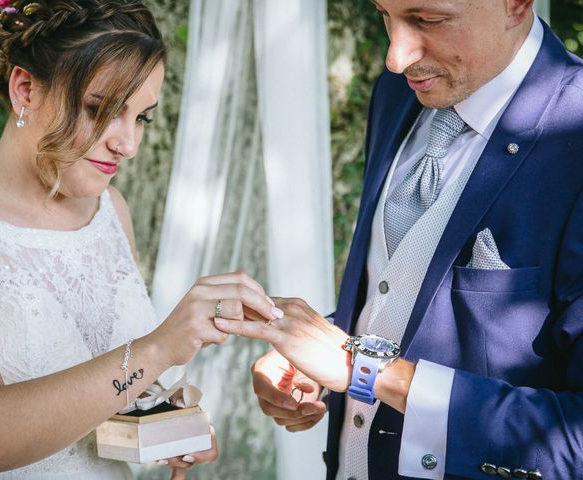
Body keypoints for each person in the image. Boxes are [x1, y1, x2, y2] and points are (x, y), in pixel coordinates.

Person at [215, 0, 583, 479]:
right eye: (383, 14)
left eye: (428, 19)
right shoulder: (398, 94)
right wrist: (317, 350)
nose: (396, 56)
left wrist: (365, 369)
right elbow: (414, 293)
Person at [0, 1, 282, 479]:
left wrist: (165, 416)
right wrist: (159, 348)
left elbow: (99, 390)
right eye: (100, 110)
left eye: (141, 117)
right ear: (25, 89)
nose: (128, 143)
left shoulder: (110, 210)